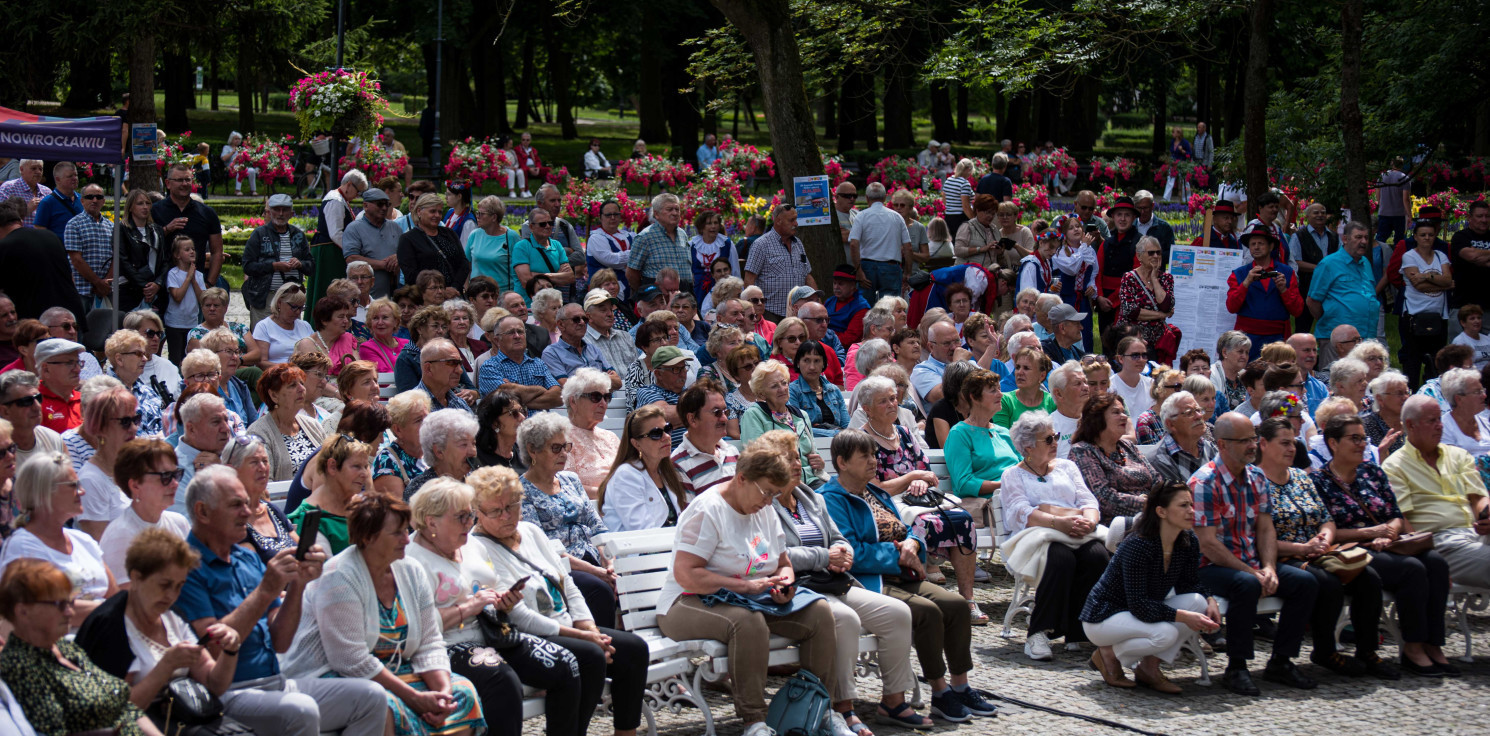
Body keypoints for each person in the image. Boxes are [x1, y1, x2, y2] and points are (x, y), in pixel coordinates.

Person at [760, 429, 958, 733]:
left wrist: (844, 552)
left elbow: (841, 538)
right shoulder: (765, 507)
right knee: (847, 619)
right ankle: (843, 708)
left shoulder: (810, 498)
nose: (797, 464)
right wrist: (826, 556)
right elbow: (776, 555)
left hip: (834, 582)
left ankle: (894, 701)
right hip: (796, 589)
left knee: (897, 613)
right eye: (788, 459)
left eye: (797, 457)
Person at [652, 443, 841, 736]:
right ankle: (755, 722)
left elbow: (783, 563)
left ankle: (816, 710)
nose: (769, 502)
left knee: (819, 613)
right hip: (686, 602)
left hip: (752, 599)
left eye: (775, 495)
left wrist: (786, 583)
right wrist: (741, 585)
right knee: (746, 622)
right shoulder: (708, 509)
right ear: (741, 478)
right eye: (766, 492)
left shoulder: (762, 508)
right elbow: (686, 575)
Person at [279, 492, 486, 736]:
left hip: (395, 671)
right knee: (388, 706)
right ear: (368, 537)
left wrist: (442, 692)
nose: (406, 540)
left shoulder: (410, 569)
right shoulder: (339, 577)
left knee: (462, 693)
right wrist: (415, 697)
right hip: (336, 677)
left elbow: (429, 640)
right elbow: (350, 660)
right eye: (396, 533)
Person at [467, 466, 650, 736]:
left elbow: (567, 584)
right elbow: (519, 616)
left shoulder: (530, 531)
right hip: (525, 637)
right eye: (495, 511)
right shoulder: (477, 547)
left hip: (566, 626)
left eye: (513, 506)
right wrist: (584, 638)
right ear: (477, 512)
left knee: (633, 649)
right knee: (590, 655)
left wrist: (591, 629)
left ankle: (626, 733)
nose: (507, 516)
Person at [405, 479, 582, 736]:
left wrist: (503, 603)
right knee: (503, 680)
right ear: (431, 521)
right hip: (447, 644)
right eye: (461, 516)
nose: (470, 522)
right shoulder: (412, 559)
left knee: (566, 664)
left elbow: (492, 587)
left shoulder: (472, 545)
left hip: (494, 631)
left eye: (471, 514)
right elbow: (419, 625)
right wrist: (469, 608)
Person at [1313, 411, 1453, 677]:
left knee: (1435, 562)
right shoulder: (1319, 482)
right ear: (1333, 443)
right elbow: (1325, 529)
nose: (1361, 444)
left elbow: (1395, 514)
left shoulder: (1372, 473)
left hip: (1386, 544)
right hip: (1350, 550)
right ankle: (1411, 648)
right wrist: (1370, 533)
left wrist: (1388, 532)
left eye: (1363, 439)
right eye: (1353, 439)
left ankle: (1433, 644)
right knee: (1412, 568)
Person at [1190, 412, 1319, 695]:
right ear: (1222, 445)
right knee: (1245, 584)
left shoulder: (1256, 477)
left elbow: (1265, 529)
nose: (1253, 445)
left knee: (1305, 582)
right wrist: (1253, 572)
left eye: (1253, 438)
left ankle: (1281, 661)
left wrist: (1270, 568)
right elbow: (1208, 544)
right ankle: (1237, 667)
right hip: (1209, 567)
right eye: (1245, 440)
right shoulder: (1205, 482)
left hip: (1251, 563)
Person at [1080, 483, 1219, 693]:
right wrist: (1184, 617)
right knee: (1166, 633)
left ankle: (1148, 668)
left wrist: (1210, 601)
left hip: (1139, 612)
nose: (1191, 511)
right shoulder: (1139, 545)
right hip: (1104, 616)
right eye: (1183, 505)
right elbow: (1140, 605)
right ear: (1161, 511)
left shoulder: (1187, 540)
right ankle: (1107, 654)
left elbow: (1190, 584)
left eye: (1191, 504)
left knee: (1197, 602)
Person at [0, 558, 162, 736]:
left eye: (70, 602)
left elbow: (124, 705)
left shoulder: (66, 648)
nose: (69, 612)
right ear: (23, 611)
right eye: (59, 604)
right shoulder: (19, 666)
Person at [997, 410, 1111, 661]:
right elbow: (1019, 511)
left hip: (1076, 530)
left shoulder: (1067, 467)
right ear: (1028, 447)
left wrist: (1090, 522)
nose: (1055, 443)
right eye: (1047, 439)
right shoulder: (1013, 474)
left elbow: (1087, 499)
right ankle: (1037, 632)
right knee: (1061, 559)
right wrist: (1057, 522)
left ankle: (1079, 628)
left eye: (1056, 436)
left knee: (1098, 556)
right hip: (1036, 536)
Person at [515, 412, 618, 627]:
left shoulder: (570, 479)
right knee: (599, 589)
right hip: (561, 567)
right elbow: (543, 546)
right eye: (556, 448)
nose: (564, 454)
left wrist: (609, 565)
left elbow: (596, 527)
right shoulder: (521, 490)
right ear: (532, 450)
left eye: (566, 447)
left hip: (594, 558)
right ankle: (602, 648)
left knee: (622, 579)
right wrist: (597, 572)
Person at [0, 449, 118, 628]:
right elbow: (43, 612)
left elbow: (115, 596)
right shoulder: (22, 548)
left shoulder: (83, 541)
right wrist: (106, 610)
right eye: (73, 485)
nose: (82, 491)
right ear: (45, 492)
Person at [1384, 395, 1490, 592]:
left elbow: (1478, 497)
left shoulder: (1457, 455)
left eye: (1439, 419)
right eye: (1432, 421)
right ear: (1411, 425)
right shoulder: (1395, 466)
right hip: (1440, 542)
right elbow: (1403, 519)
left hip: (1476, 533)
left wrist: (1486, 514)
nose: (1440, 426)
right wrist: (1429, 562)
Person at [1070, 393, 1160, 526]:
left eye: (1123, 412)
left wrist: (1162, 500)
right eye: (1116, 412)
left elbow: (1156, 479)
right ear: (1098, 418)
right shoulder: (1082, 451)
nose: (1124, 416)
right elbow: (1104, 499)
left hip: (1153, 514)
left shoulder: (1127, 446)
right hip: (1116, 524)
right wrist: (1149, 504)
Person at [596, 405, 688, 531]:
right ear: (636, 443)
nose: (666, 437)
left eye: (667, 429)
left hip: (670, 545)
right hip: (640, 547)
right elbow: (642, 529)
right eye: (656, 433)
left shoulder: (667, 471)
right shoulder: (626, 476)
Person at [740, 360, 829, 487]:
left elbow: (813, 452)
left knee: (840, 497)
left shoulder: (801, 415)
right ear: (761, 393)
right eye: (774, 386)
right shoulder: (754, 415)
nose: (782, 389)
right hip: (779, 483)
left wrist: (819, 462)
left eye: (784, 383)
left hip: (810, 480)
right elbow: (756, 458)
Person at [944, 367, 1021, 502]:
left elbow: (1023, 465)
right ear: (974, 397)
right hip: (992, 503)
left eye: (999, 389)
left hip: (1017, 495)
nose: (1000, 394)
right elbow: (963, 483)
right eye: (993, 390)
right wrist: (1003, 485)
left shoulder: (1003, 432)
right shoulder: (960, 434)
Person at [1308, 221, 1382, 352]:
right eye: (1358, 237)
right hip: (1339, 340)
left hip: (1367, 337)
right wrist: (1331, 318)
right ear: (1345, 239)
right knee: (1337, 372)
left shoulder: (1365, 263)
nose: (1364, 241)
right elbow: (1312, 301)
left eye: (1366, 237)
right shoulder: (1328, 264)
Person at [247, 363, 327, 482]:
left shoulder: (312, 425)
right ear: (274, 395)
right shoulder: (258, 433)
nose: (301, 389)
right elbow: (263, 483)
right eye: (292, 385)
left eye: (302, 383)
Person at [150, 164, 225, 289]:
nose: (184, 184)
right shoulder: (155, 211)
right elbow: (147, 244)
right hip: (162, 284)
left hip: (197, 284)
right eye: (179, 180)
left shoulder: (207, 213)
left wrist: (209, 283)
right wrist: (166, 230)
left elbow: (217, 252)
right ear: (168, 183)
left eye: (188, 180)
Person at [1401, 218, 1455, 388]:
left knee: (1436, 364)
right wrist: (1439, 281)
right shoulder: (1409, 256)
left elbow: (1448, 280)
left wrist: (1425, 275)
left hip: (1439, 317)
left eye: (1430, 235)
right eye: (1422, 234)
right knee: (1412, 365)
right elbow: (1417, 285)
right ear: (1415, 236)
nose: (1427, 238)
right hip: (1414, 317)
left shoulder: (1441, 256)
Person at [744, 204, 818, 323]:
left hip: (796, 312)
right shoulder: (761, 244)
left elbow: (807, 275)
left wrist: (817, 303)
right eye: (791, 220)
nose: (796, 224)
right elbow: (749, 279)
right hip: (770, 312)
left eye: (796, 219)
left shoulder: (797, 244)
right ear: (778, 221)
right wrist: (752, 309)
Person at [558, 367, 620, 497]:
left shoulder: (611, 437)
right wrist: (611, 495)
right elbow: (567, 486)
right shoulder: (561, 439)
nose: (603, 404)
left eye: (606, 397)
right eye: (595, 397)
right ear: (573, 401)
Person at [478, 315, 562, 408]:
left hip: (540, 421)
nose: (517, 336)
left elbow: (558, 396)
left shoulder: (538, 364)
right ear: (497, 340)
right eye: (510, 332)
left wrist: (516, 395)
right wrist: (540, 389)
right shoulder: (489, 367)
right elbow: (503, 402)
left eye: (520, 331)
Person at [401, 407, 479, 501]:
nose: (473, 451)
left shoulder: (478, 484)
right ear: (439, 451)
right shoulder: (420, 493)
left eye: (473, 444)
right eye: (463, 444)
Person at [398, 193, 471, 292]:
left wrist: (454, 287)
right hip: (425, 297)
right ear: (419, 211)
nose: (437, 215)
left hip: (453, 295)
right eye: (432, 211)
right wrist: (437, 290)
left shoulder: (449, 233)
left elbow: (464, 263)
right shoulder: (408, 239)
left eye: (440, 212)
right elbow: (411, 274)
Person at [342, 187, 404, 300]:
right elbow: (351, 258)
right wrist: (382, 265)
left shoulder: (395, 227)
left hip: (393, 293)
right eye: (380, 204)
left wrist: (398, 258)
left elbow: (406, 252)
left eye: (387, 204)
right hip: (365, 297)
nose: (384, 208)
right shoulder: (354, 228)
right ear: (365, 206)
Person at [372, 390, 431, 498]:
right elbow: (398, 512)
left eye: (427, 418)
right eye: (418, 420)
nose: (426, 424)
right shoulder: (387, 463)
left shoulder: (435, 451)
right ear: (398, 430)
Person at [789, 340, 849, 436]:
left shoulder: (834, 390)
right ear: (797, 363)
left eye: (817, 361)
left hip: (839, 444)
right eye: (806, 361)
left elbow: (847, 426)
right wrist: (835, 433)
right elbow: (798, 428)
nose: (812, 367)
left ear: (824, 364)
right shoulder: (792, 391)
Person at [994, 346, 1055, 429]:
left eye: (1026, 368)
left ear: (1042, 375)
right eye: (1017, 367)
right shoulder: (1004, 401)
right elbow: (1002, 437)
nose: (1019, 372)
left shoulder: (1052, 402)